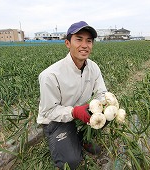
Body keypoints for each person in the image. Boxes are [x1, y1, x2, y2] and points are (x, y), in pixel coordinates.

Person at [37, 21, 108, 169]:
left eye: (89, 41)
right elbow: (48, 111)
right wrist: (74, 112)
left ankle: (84, 137)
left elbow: (102, 93)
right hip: (56, 120)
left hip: (81, 113)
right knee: (71, 162)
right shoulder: (50, 75)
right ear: (67, 43)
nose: (84, 45)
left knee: (108, 114)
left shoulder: (93, 67)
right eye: (79, 39)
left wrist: (104, 103)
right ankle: (66, 138)